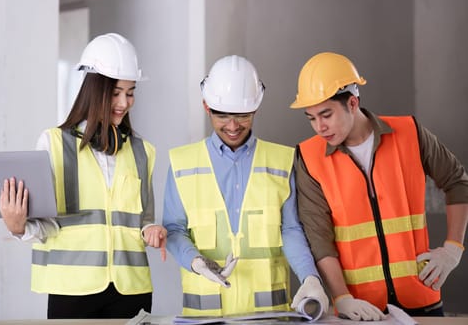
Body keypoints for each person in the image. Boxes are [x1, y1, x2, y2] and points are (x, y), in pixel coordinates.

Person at [0, 33, 167, 319]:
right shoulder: (53, 144)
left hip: (131, 291)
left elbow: (141, 222)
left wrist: (152, 231)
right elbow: (48, 223)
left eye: (130, 92)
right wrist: (18, 227)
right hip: (72, 291)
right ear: (94, 89)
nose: (124, 102)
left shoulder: (143, 151)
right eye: (116, 92)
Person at [289, 51, 468, 321]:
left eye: (326, 114)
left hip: (421, 297)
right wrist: (341, 297)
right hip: (360, 309)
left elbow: (457, 183)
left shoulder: (409, 132)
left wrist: (453, 249)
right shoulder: (309, 157)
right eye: (311, 118)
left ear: (352, 102)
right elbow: (319, 238)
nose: (320, 127)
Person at [163, 55, 329, 316]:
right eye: (222, 115)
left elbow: (291, 229)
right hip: (205, 317)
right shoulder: (182, 163)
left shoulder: (282, 161)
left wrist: (310, 277)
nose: (232, 126)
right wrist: (195, 262)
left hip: (268, 315)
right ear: (206, 106)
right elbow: (173, 229)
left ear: (256, 108)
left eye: (242, 115)